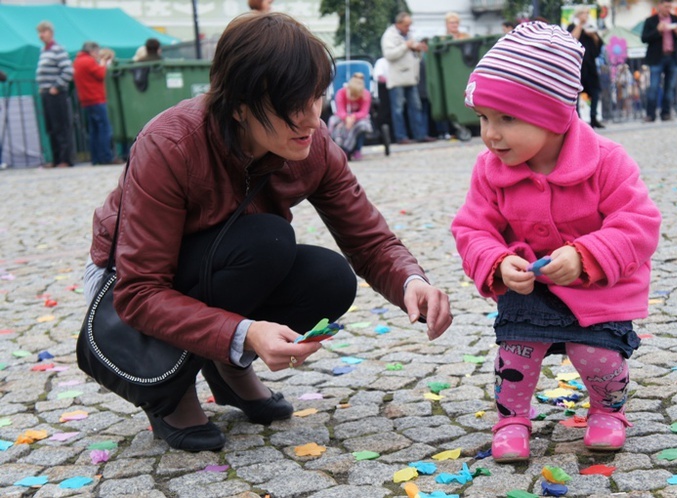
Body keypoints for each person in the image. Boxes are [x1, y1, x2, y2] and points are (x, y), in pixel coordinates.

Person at [83, 12, 452, 453]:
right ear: (238, 105)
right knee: (268, 241)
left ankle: (228, 367)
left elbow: (368, 239)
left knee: (328, 276)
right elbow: (140, 290)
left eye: (316, 97)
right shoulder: (170, 145)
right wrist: (243, 331)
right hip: (126, 281)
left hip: (233, 260)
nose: (312, 119)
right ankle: (172, 394)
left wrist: (413, 282)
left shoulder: (313, 147)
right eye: (292, 104)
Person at [452, 22, 661, 462]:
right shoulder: (490, 168)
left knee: (595, 356)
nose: (491, 134)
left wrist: (587, 255)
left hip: (598, 290)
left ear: (552, 115)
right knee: (516, 353)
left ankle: (608, 410)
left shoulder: (607, 162)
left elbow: (638, 223)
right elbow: (472, 227)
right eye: (483, 118)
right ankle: (511, 417)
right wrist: (495, 261)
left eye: (507, 118)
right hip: (530, 288)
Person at [381, 12, 436, 144]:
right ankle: (401, 136)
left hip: (411, 77)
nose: (408, 28)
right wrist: (406, 46)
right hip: (398, 78)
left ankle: (420, 134)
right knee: (398, 109)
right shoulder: (389, 35)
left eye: (410, 25)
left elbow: (411, 49)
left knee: (416, 107)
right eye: (406, 25)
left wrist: (417, 48)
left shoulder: (409, 34)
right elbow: (389, 55)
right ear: (398, 24)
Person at [36, 21, 74, 168]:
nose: (41, 35)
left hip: (56, 94)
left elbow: (68, 71)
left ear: (50, 33)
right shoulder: (43, 51)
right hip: (46, 93)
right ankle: (56, 158)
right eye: (39, 32)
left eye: (43, 31)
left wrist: (56, 87)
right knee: (51, 127)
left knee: (60, 126)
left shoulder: (58, 50)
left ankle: (65, 159)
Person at [641, 0, 677, 122]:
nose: (668, 9)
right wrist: (657, 30)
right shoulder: (651, 21)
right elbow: (644, 38)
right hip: (657, 58)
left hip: (672, 57)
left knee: (669, 87)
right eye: (666, 6)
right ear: (659, 6)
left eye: (670, 7)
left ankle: (666, 113)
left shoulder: (676, 19)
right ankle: (650, 114)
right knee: (654, 87)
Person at [73, 42, 115, 165]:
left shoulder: (77, 61)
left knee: (93, 130)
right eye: (97, 52)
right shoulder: (88, 61)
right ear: (92, 51)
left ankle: (96, 158)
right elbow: (101, 74)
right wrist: (103, 63)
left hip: (86, 100)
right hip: (96, 98)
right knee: (104, 129)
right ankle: (106, 157)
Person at [567, 5, 606, 129]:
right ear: (578, 15)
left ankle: (594, 118)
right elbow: (571, 39)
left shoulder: (590, 28)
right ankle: (577, 121)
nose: (586, 15)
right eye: (584, 13)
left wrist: (593, 34)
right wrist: (580, 25)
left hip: (590, 66)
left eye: (587, 13)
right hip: (577, 67)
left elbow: (599, 46)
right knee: (575, 95)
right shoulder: (573, 26)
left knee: (595, 92)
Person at [327, 72, 373, 160]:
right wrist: (346, 118)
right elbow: (340, 110)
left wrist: (353, 117)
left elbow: (364, 112)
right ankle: (340, 148)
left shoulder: (366, 95)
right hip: (343, 117)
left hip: (358, 118)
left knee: (362, 126)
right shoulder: (341, 93)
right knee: (334, 122)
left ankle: (357, 150)